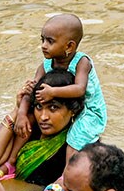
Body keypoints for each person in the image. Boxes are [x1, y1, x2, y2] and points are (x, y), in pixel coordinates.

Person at [13, 14, 107, 165]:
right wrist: (22, 113)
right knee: (26, 120)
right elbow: (31, 91)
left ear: (69, 46)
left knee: (74, 138)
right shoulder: (46, 64)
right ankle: (11, 162)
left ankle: (65, 178)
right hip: (66, 103)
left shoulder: (82, 62)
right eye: (42, 39)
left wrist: (52, 92)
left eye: (50, 41)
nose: (43, 45)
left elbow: (79, 89)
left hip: (89, 110)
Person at [0, 68, 85, 191]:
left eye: (53, 108)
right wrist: (18, 110)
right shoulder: (27, 130)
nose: (43, 117)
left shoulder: (78, 146)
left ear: (73, 110)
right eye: (39, 107)